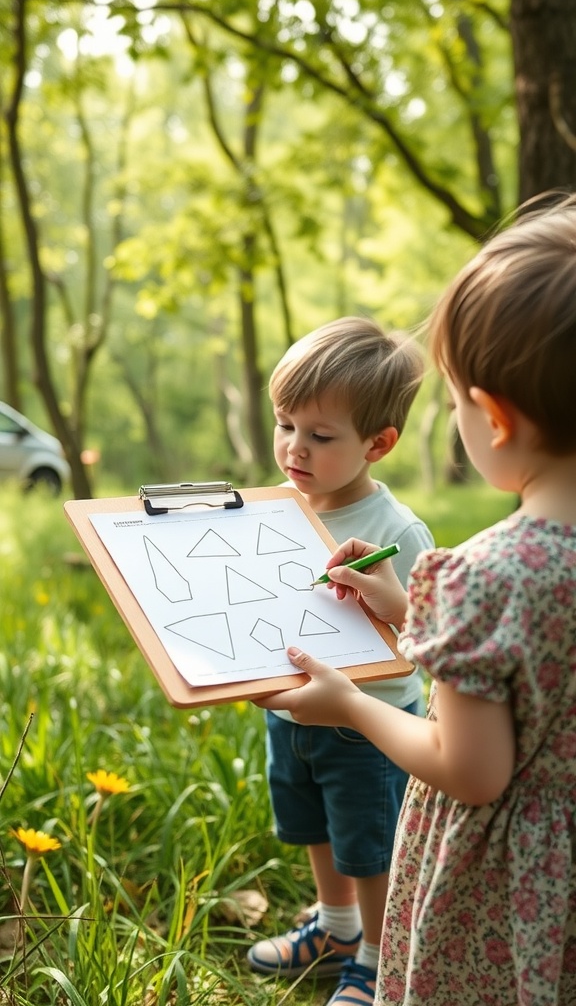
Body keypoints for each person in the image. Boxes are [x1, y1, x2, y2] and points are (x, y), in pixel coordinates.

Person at [255, 193, 576, 1006]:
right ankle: (334, 930)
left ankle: (360, 961)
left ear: (493, 418)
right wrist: (406, 611)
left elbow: (472, 770)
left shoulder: (484, 574)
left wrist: (354, 708)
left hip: (503, 874)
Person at [247, 317, 434, 1006]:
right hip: (294, 710)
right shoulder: (277, 512)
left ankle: (380, 963)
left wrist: (388, 606)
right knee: (312, 827)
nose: (294, 447)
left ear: (377, 444)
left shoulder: (397, 533)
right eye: (284, 423)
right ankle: (335, 929)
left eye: (320, 436)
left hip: (369, 727)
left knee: (368, 846)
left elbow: (428, 637)